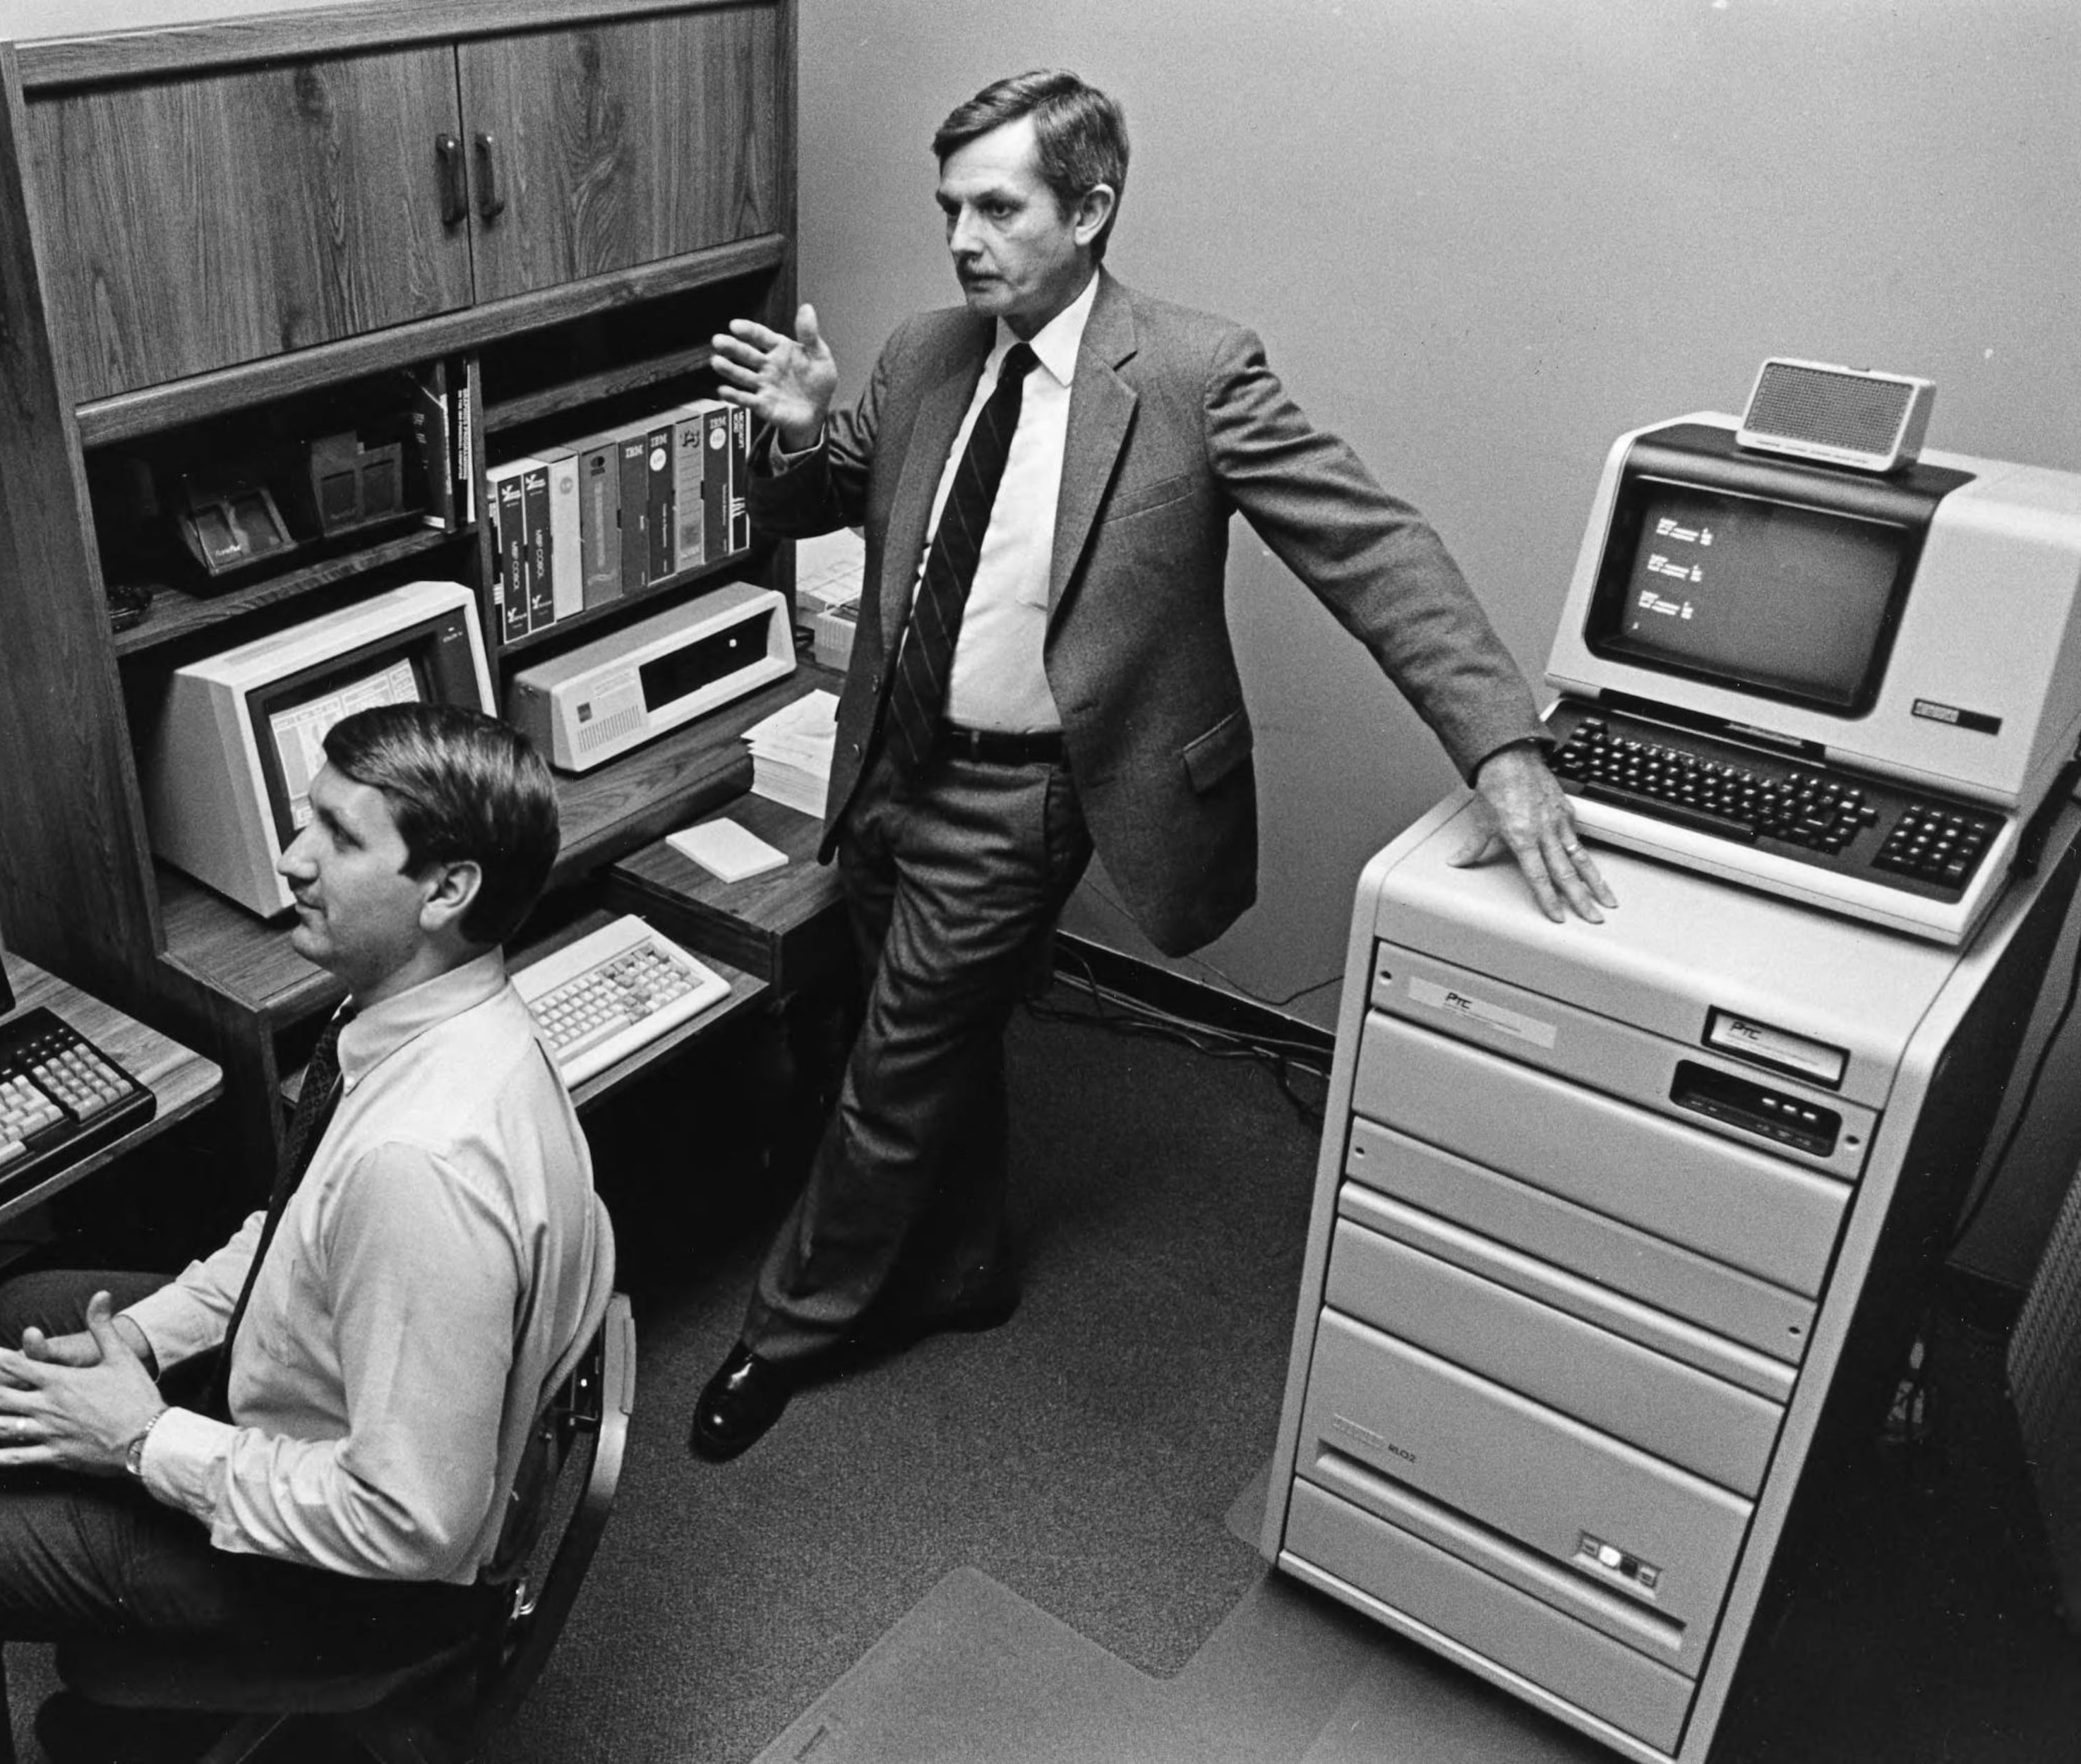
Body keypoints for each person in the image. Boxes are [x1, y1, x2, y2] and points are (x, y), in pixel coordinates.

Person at [690, 70, 1610, 1461]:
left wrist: (1502, 744)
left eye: (999, 208)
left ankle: (786, 1325)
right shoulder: (925, 350)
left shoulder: (1193, 372)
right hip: (886, 760)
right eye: (953, 207)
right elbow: (829, 496)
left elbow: (1375, 549)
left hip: (1020, 796)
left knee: (891, 1066)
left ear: (1092, 207)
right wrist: (803, 428)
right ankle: (966, 1268)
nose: (964, 240)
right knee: (929, 1031)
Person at [0, 703, 615, 1764]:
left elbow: (411, 1525)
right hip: (335, 1422)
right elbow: (296, 1232)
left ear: (446, 889)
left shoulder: (419, 1170)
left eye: (339, 836)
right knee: (22, 1313)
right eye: (306, 821)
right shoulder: (430, 1014)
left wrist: (140, 1440)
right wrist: (145, 1341)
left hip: (346, 1587)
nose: (292, 858)